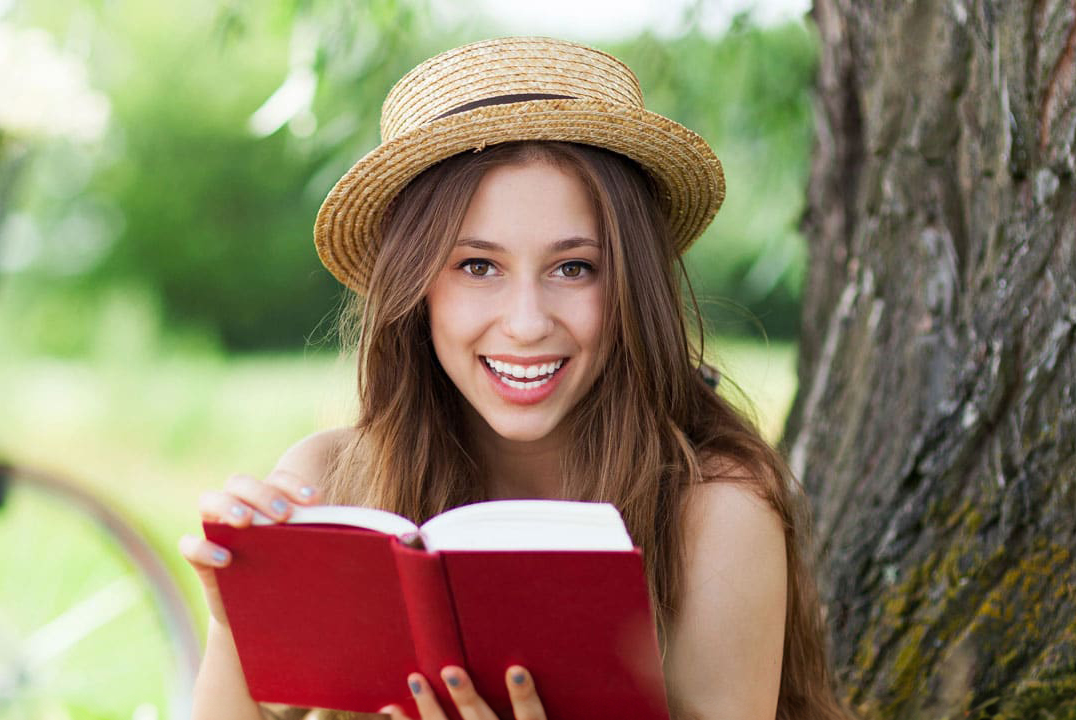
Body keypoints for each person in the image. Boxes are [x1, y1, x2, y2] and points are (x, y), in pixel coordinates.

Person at [176, 37, 855, 720]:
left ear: (630, 287)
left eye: (574, 268)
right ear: (417, 289)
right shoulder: (329, 483)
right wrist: (241, 621)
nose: (527, 323)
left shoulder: (716, 514)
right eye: (477, 266)